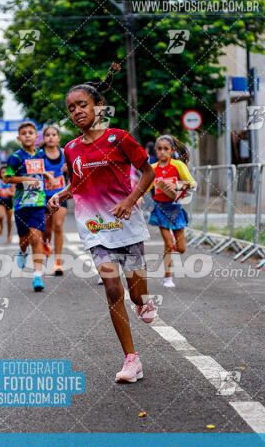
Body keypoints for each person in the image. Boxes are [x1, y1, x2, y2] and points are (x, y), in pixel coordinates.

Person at [47, 63, 156, 384]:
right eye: (71, 108)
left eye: (83, 104)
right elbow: (79, 183)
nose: (77, 111)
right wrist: (60, 194)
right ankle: (131, 359)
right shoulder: (71, 149)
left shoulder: (119, 138)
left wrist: (131, 199)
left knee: (138, 296)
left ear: (98, 107)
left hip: (129, 225)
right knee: (112, 289)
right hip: (94, 228)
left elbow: (148, 173)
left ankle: (143, 302)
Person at [4, 121, 56, 292]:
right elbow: (8, 178)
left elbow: (41, 170)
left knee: (35, 237)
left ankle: (37, 276)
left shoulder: (41, 154)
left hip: (38, 203)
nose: (27, 135)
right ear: (19, 138)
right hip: (20, 204)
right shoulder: (16, 158)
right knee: (24, 240)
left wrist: (47, 175)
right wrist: (27, 180)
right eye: (24, 133)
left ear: (36, 137)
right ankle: (22, 251)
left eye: (30, 132)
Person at [148, 135, 196, 289]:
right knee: (168, 244)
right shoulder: (153, 168)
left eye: (165, 149)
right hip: (160, 208)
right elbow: (144, 187)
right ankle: (167, 278)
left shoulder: (177, 165)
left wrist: (176, 185)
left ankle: (177, 246)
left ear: (172, 150)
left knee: (181, 249)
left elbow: (192, 183)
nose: (162, 152)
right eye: (159, 149)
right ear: (155, 151)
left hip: (176, 208)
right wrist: (137, 197)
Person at [42, 125, 68, 275]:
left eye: (54, 134)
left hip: (60, 195)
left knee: (58, 225)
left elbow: (75, 170)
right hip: (43, 196)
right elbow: (33, 169)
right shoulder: (39, 154)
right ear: (44, 138)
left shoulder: (65, 153)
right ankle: (45, 242)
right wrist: (47, 174)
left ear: (58, 137)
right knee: (47, 229)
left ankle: (57, 262)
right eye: (47, 135)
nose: (51, 137)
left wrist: (68, 170)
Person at [0, 166, 15, 243]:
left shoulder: (12, 182)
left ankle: (8, 235)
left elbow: (14, 193)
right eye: (2, 172)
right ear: (0, 174)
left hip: (9, 202)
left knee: (9, 221)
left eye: (5, 172)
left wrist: (9, 192)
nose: (3, 174)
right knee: (0, 216)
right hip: (1, 201)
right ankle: (1, 227)